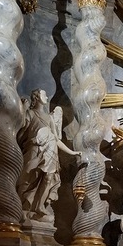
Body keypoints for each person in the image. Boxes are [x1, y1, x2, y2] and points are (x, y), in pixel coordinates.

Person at [16, 89, 79, 219]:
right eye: (43, 94)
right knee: (28, 176)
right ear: (36, 97)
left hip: (50, 151)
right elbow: (20, 129)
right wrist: (23, 109)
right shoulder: (30, 113)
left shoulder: (49, 118)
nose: (46, 97)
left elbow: (56, 139)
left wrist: (72, 152)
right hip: (34, 150)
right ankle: (22, 205)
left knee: (48, 178)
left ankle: (40, 205)